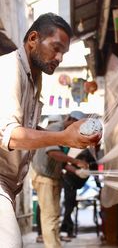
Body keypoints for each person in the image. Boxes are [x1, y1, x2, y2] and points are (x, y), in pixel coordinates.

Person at [0, 13, 101, 248]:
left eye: (63, 53)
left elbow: (26, 128)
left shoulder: (35, 79)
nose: (59, 58)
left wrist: (77, 138)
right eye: (55, 48)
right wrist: (64, 137)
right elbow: (10, 135)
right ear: (33, 38)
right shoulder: (9, 70)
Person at [31, 111, 88, 247]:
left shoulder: (65, 135)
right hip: (44, 177)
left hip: (53, 177)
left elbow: (61, 162)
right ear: (71, 120)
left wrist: (77, 171)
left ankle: (55, 245)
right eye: (78, 127)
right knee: (49, 216)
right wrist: (76, 161)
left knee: (55, 215)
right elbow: (53, 152)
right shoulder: (55, 129)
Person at [60, 145, 101, 239]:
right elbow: (64, 165)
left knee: (70, 206)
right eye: (96, 145)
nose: (97, 147)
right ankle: (65, 231)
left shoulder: (93, 157)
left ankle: (66, 230)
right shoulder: (86, 154)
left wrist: (100, 187)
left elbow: (96, 175)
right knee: (69, 207)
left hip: (73, 185)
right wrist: (77, 171)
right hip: (69, 183)